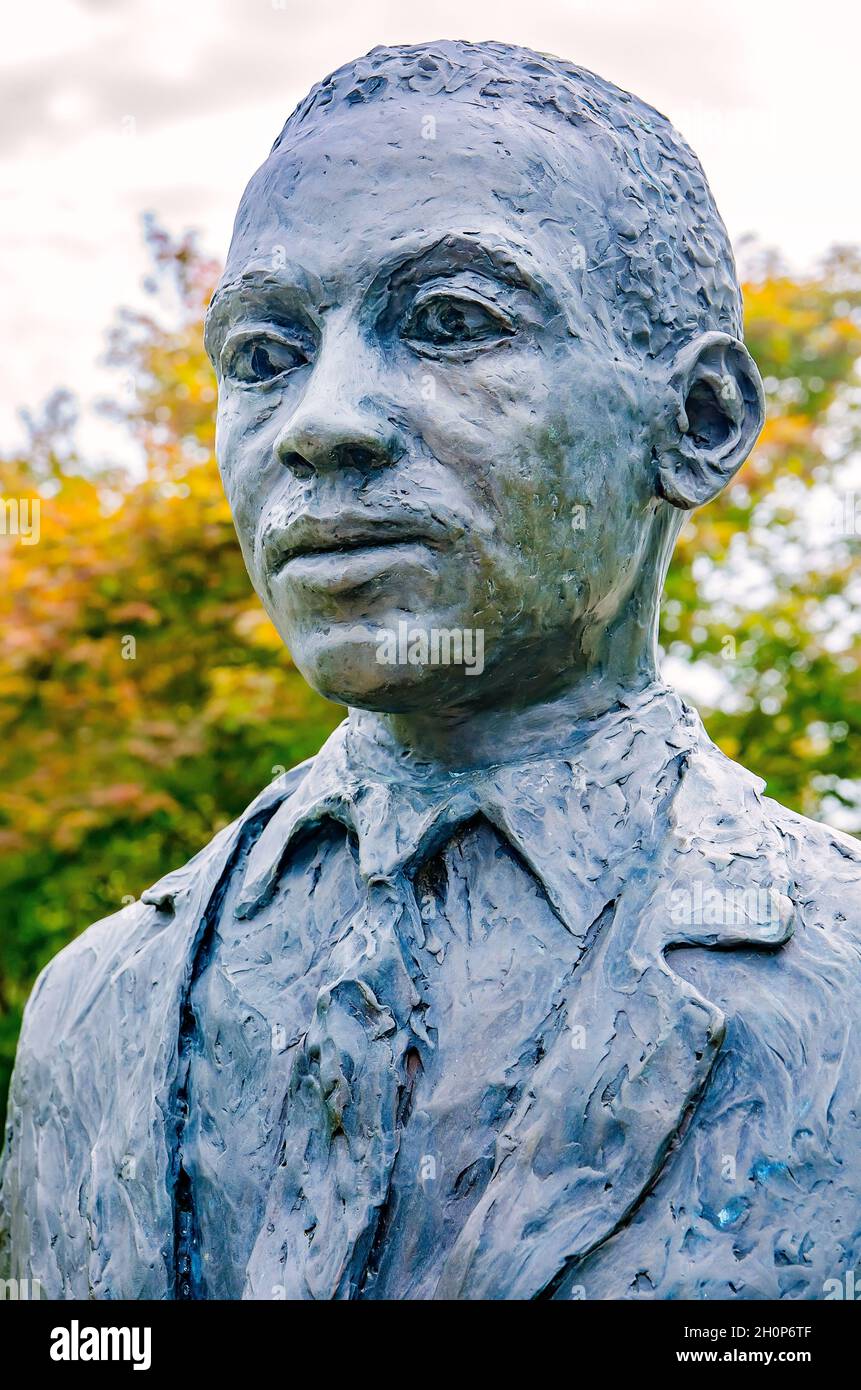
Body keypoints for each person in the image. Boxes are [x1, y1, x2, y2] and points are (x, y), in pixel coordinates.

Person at [3, 40, 860, 1301]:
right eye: (262, 352)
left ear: (700, 423)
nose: (321, 421)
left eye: (453, 323)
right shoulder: (94, 1009)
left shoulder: (836, 977)